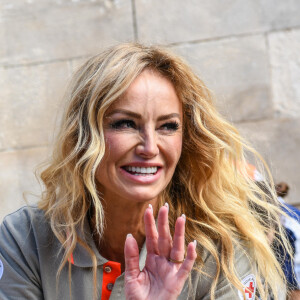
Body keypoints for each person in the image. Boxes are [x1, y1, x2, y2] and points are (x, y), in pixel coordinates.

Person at [0, 43, 289, 300]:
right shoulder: (24, 240)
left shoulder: (224, 248)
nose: (150, 147)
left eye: (168, 126)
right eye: (125, 123)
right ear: (84, 136)